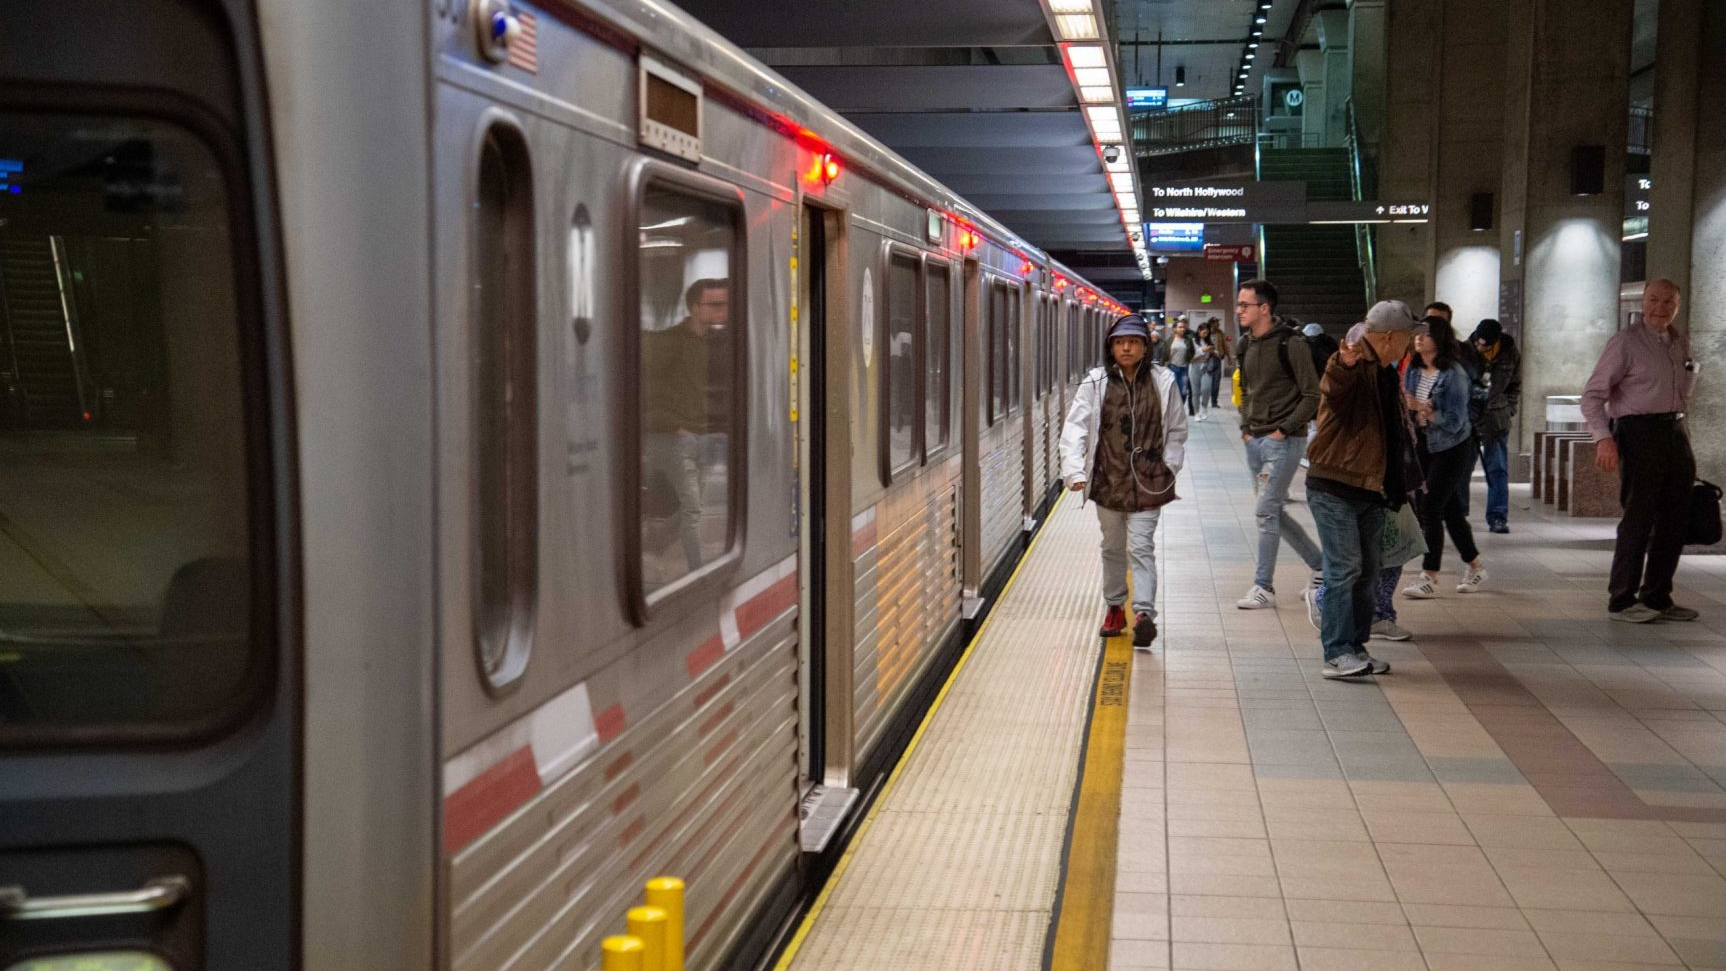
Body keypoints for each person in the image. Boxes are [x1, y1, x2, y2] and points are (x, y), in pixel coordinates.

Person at [1305, 302, 1422, 678]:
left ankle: (1355, 646)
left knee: (1368, 571)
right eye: (1408, 337)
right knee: (1344, 569)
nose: (1411, 344)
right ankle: (1336, 652)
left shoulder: (1386, 371)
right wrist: (1344, 364)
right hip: (1335, 483)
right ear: (1390, 337)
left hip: (1370, 486)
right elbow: (1335, 388)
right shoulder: (1354, 362)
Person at [1060, 314, 1188, 648]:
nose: (1126, 347)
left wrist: (1170, 467)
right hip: (1107, 480)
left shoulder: (1164, 381)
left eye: (1133, 342)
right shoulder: (1095, 382)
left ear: (1146, 347)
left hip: (1149, 482)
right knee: (1113, 547)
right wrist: (1074, 471)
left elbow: (1176, 429)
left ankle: (1143, 613)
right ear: (1111, 348)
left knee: (1141, 547)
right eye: (1120, 342)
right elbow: (1075, 427)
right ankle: (1115, 607)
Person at [1582, 278, 1700, 624]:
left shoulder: (1680, 342)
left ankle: (1657, 595)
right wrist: (1603, 438)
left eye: (1668, 302)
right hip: (1638, 432)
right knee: (1639, 516)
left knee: (1675, 517)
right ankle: (1622, 599)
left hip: (1675, 431)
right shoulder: (1625, 343)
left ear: (1677, 305)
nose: (1660, 308)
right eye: (1653, 300)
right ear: (1642, 301)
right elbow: (1592, 397)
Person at [1235, 279, 1324, 609]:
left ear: (1264, 308)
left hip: (1283, 443)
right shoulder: (1245, 345)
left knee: (1265, 512)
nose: (1239, 310)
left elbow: (1312, 395)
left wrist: (1283, 430)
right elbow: (1244, 389)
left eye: (1245, 305)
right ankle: (1321, 567)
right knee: (1271, 511)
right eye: (1238, 305)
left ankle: (1264, 587)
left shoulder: (1292, 344)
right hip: (1254, 441)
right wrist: (1246, 427)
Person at [643, 278, 733, 574]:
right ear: (695, 307)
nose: (723, 310)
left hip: (699, 436)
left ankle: (655, 545)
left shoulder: (711, 343)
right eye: (715, 305)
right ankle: (698, 571)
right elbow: (641, 391)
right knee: (693, 508)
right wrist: (674, 427)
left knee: (690, 508)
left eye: (725, 304)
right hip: (674, 438)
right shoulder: (670, 342)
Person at [1400, 315, 1488, 597]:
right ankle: (1475, 565)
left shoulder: (1454, 375)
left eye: (1425, 335)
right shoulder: (1413, 370)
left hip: (1452, 446)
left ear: (1438, 339)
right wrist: (1412, 410)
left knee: (1430, 508)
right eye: (1417, 334)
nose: (1418, 339)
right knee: (1449, 510)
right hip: (1424, 444)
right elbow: (1408, 406)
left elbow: (1455, 421)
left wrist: (1425, 410)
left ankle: (1429, 575)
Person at [1469, 319, 1521, 533]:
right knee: (1463, 469)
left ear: (1495, 341)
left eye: (1485, 345)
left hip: (1497, 417)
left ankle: (1498, 516)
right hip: (1469, 416)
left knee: (1498, 468)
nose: (1480, 348)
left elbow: (1515, 385)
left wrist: (1509, 408)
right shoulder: (1466, 350)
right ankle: (1458, 514)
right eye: (1478, 343)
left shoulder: (1510, 353)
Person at [1162, 318, 1197, 415]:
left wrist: (1188, 360)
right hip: (1172, 368)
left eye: (1183, 327)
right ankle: (1172, 411)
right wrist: (1161, 368)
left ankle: (1179, 409)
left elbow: (1192, 352)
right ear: (1174, 329)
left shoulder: (1187, 340)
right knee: (1172, 391)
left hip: (1184, 369)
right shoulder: (1169, 340)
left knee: (1183, 392)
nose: (1182, 329)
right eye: (1180, 327)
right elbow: (1164, 355)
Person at [1192, 323, 1218, 422]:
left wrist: (1213, 352)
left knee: (1206, 389)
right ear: (1199, 331)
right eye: (1204, 332)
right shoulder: (1193, 341)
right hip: (1194, 367)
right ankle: (1196, 412)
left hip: (1206, 367)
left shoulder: (1210, 342)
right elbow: (1191, 356)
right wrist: (1203, 350)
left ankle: (1204, 407)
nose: (1205, 334)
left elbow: (1217, 353)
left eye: (1207, 333)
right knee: (1195, 392)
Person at [1209, 317, 1233, 409]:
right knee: (1207, 382)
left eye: (1218, 322)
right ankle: (1205, 400)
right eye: (1216, 322)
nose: (1218, 324)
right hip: (1207, 360)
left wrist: (1229, 357)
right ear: (1212, 323)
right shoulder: (1206, 332)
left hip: (1217, 360)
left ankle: (1214, 402)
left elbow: (1225, 345)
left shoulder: (1220, 333)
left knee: (1216, 382)